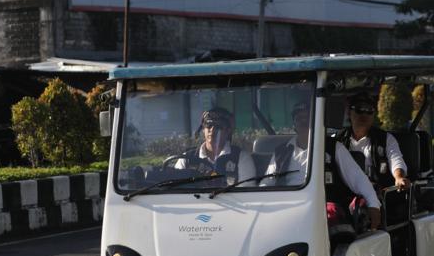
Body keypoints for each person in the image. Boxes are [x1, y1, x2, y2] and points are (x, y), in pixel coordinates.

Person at [264, 101, 382, 229]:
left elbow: (358, 178)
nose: (304, 122)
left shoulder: (333, 147)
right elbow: (266, 184)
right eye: (299, 119)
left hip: (324, 211)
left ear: (315, 122)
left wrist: (373, 205)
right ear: (294, 125)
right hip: (287, 209)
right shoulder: (281, 152)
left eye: (308, 118)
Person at [337, 92, 410, 192]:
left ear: (374, 114)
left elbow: (396, 161)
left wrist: (399, 178)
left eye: (369, 111)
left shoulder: (386, 139)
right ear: (349, 113)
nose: (364, 114)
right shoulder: (337, 139)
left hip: (378, 194)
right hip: (344, 193)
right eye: (359, 109)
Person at [174, 107, 256, 184]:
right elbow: (174, 189)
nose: (212, 130)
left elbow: (245, 193)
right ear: (203, 129)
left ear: (228, 131)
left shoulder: (241, 158)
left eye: (218, 127)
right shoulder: (186, 159)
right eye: (208, 126)